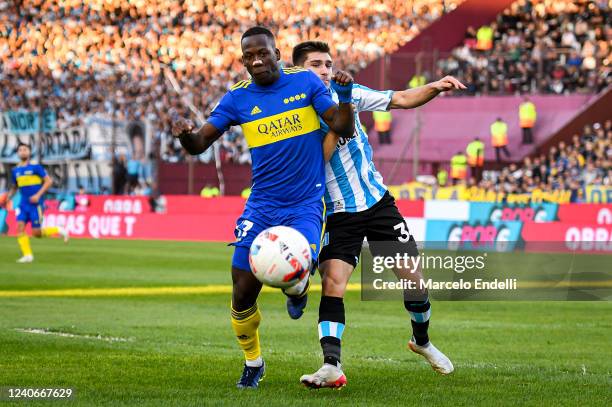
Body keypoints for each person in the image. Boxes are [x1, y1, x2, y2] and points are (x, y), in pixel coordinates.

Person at [170, 27, 356, 389]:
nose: (257, 61)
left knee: (297, 272)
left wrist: (345, 96)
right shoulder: (238, 98)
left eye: (263, 54)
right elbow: (199, 144)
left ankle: (298, 289)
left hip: (304, 204)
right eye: (249, 57)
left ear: (277, 54)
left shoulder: (304, 82)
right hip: (261, 205)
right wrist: (184, 135)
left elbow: (341, 125)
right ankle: (253, 362)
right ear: (243, 61)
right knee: (241, 288)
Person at [292, 40, 464, 389]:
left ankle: (422, 341)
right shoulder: (297, 115)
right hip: (341, 212)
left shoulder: (349, 91)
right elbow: (316, 163)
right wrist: (340, 108)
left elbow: (398, 99)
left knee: (413, 279)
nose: (325, 70)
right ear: (297, 71)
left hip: (378, 203)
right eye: (315, 64)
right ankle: (330, 364)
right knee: (333, 282)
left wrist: (435, 86)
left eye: (327, 63)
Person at [2, 143, 69, 263]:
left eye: (25, 149)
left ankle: (59, 229)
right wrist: (8, 197)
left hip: (36, 205)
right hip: (23, 204)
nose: (22, 152)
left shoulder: (36, 168)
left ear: (29, 152)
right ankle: (28, 255)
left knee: (36, 233)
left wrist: (38, 195)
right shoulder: (15, 171)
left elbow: (48, 182)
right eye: (20, 150)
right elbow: (15, 186)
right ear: (18, 153)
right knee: (20, 228)